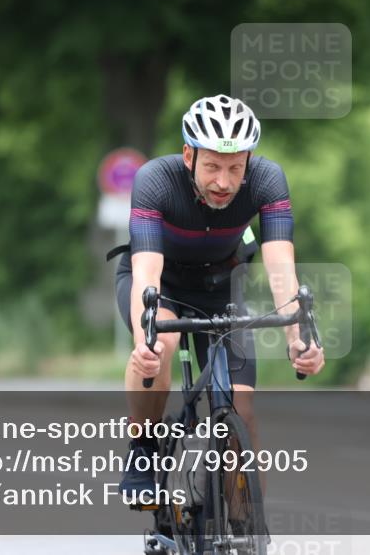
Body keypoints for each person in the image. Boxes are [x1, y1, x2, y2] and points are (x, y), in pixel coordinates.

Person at [110, 94, 326, 501]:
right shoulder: (155, 181)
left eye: (234, 167)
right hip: (163, 284)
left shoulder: (267, 180)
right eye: (211, 166)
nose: (224, 182)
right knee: (162, 344)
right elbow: (146, 272)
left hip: (221, 288)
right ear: (188, 155)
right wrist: (146, 340)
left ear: (248, 160)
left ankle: (247, 530)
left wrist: (298, 339)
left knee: (243, 413)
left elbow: (281, 267)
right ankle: (142, 450)